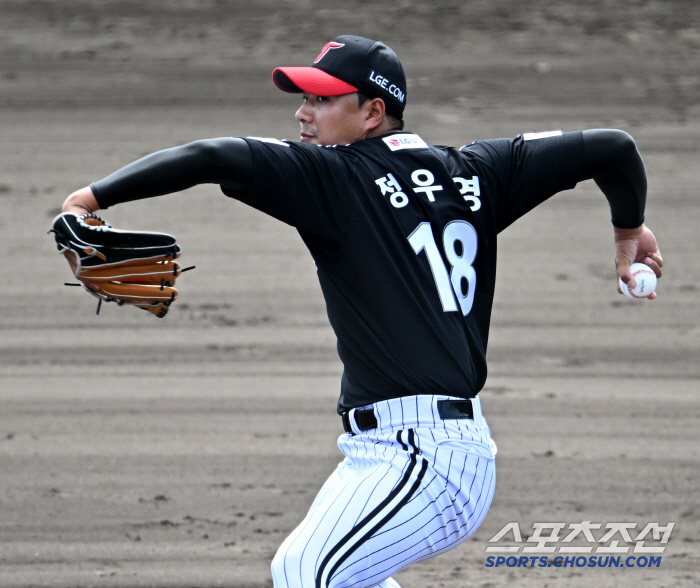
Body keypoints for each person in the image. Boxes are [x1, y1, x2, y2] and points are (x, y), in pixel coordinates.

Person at [61, 35, 662, 588]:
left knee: (309, 571)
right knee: (330, 574)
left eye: (321, 100)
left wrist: (90, 198)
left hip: (429, 461)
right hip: (390, 455)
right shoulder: (477, 171)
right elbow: (614, 148)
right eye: (303, 97)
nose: (302, 113)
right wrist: (628, 231)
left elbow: (214, 154)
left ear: (372, 112)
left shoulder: (335, 178)